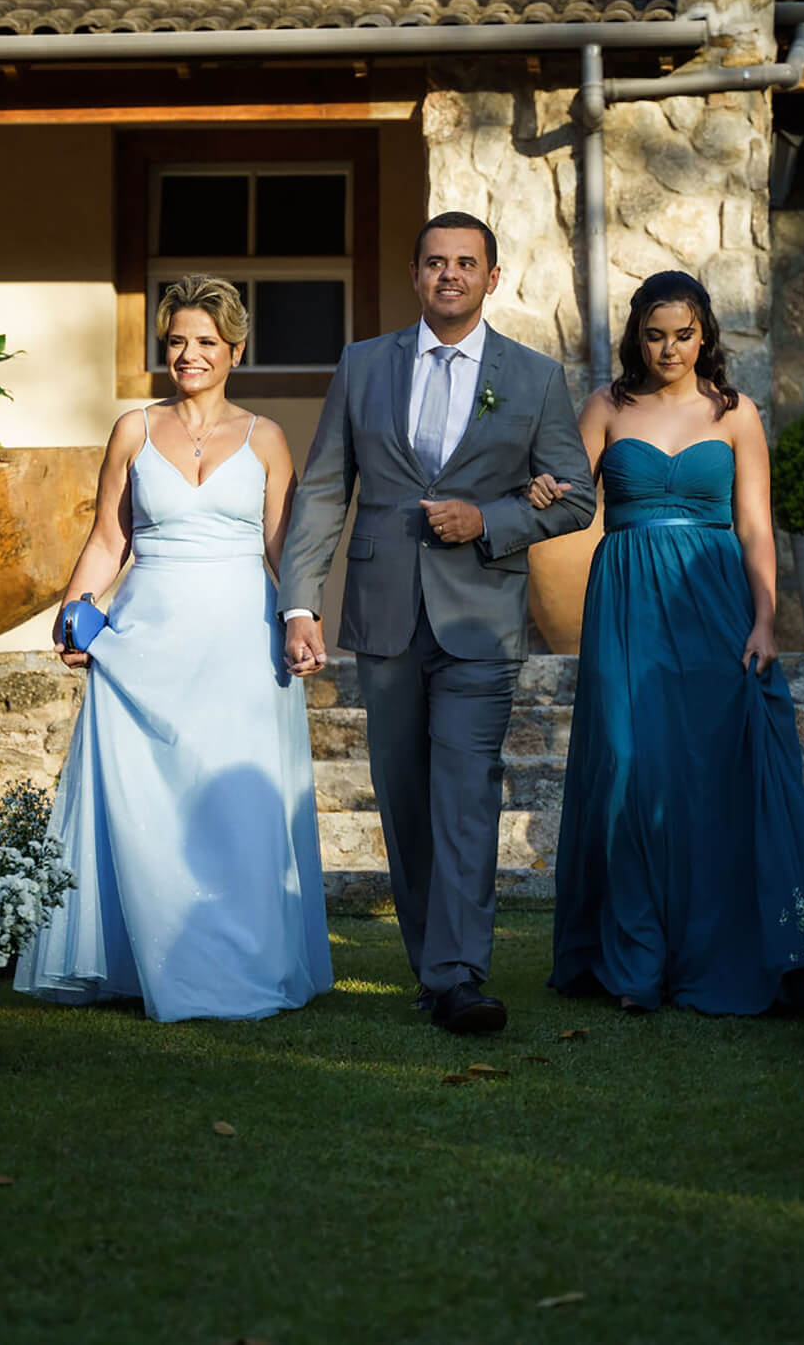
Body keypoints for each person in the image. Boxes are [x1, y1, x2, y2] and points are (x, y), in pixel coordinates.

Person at [278, 212, 596, 1034]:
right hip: (384, 614)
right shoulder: (362, 364)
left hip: (481, 621)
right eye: (434, 261)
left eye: (465, 261)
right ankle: (432, 965)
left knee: (465, 791)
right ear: (415, 274)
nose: (449, 273)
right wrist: (300, 602)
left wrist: (489, 518)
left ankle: (459, 976)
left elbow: (577, 496)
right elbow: (324, 489)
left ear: (492, 277)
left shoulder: (534, 377)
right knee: (405, 797)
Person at [15, 275, 333, 1022]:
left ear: (236, 351)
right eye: (178, 341)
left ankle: (245, 961)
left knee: (236, 801)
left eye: (207, 342)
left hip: (240, 645)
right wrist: (74, 609)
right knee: (149, 804)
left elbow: (285, 551)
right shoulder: (132, 429)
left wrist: (305, 619)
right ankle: (148, 959)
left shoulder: (266, 438)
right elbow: (109, 538)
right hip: (146, 644)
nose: (190, 354)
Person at [534, 270, 804, 1016]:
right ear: (637, 337)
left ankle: (716, 950)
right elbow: (567, 499)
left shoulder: (736, 413)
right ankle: (635, 963)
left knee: (709, 773)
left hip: (716, 602)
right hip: (627, 601)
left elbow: (755, 526)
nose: (669, 348)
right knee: (628, 767)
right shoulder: (606, 406)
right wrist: (540, 489)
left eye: (683, 334)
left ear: (705, 337)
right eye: (655, 335)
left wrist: (765, 619)